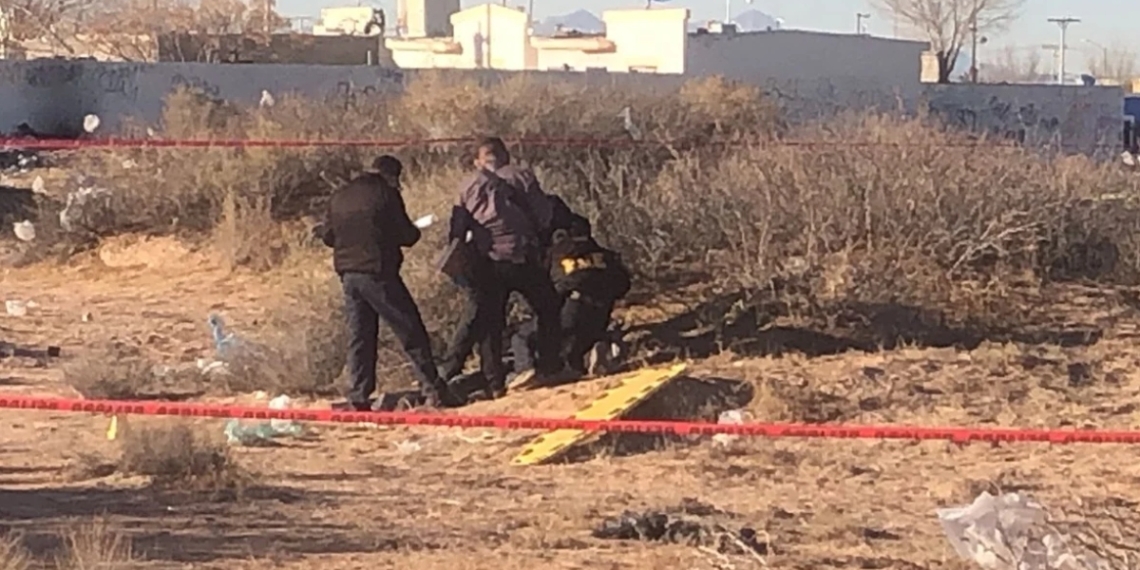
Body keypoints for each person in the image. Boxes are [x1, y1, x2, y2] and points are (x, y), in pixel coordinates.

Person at [315, 155, 463, 410]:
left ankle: (359, 395)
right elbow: (407, 235)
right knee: (409, 329)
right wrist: (412, 231)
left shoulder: (340, 195)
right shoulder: (386, 194)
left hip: (349, 274)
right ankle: (433, 389)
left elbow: (328, 236)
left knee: (360, 335)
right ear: (391, 176)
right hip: (378, 272)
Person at [436, 137, 564, 398]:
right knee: (548, 307)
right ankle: (550, 366)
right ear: (505, 155)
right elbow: (543, 216)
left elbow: (457, 230)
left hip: (488, 262)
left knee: (491, 322)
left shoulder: (467, 186)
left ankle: (495, 383)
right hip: (524, 255)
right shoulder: (523, 177)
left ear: (478, 161)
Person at [510, 215, 631, 379]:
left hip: (573, 308)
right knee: (577, 344)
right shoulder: (605, 255)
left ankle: (525, 371)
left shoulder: (556, 254)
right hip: (601, 313)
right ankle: (595, 350)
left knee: (523, 336)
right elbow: (624, 284)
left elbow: (550, 291)